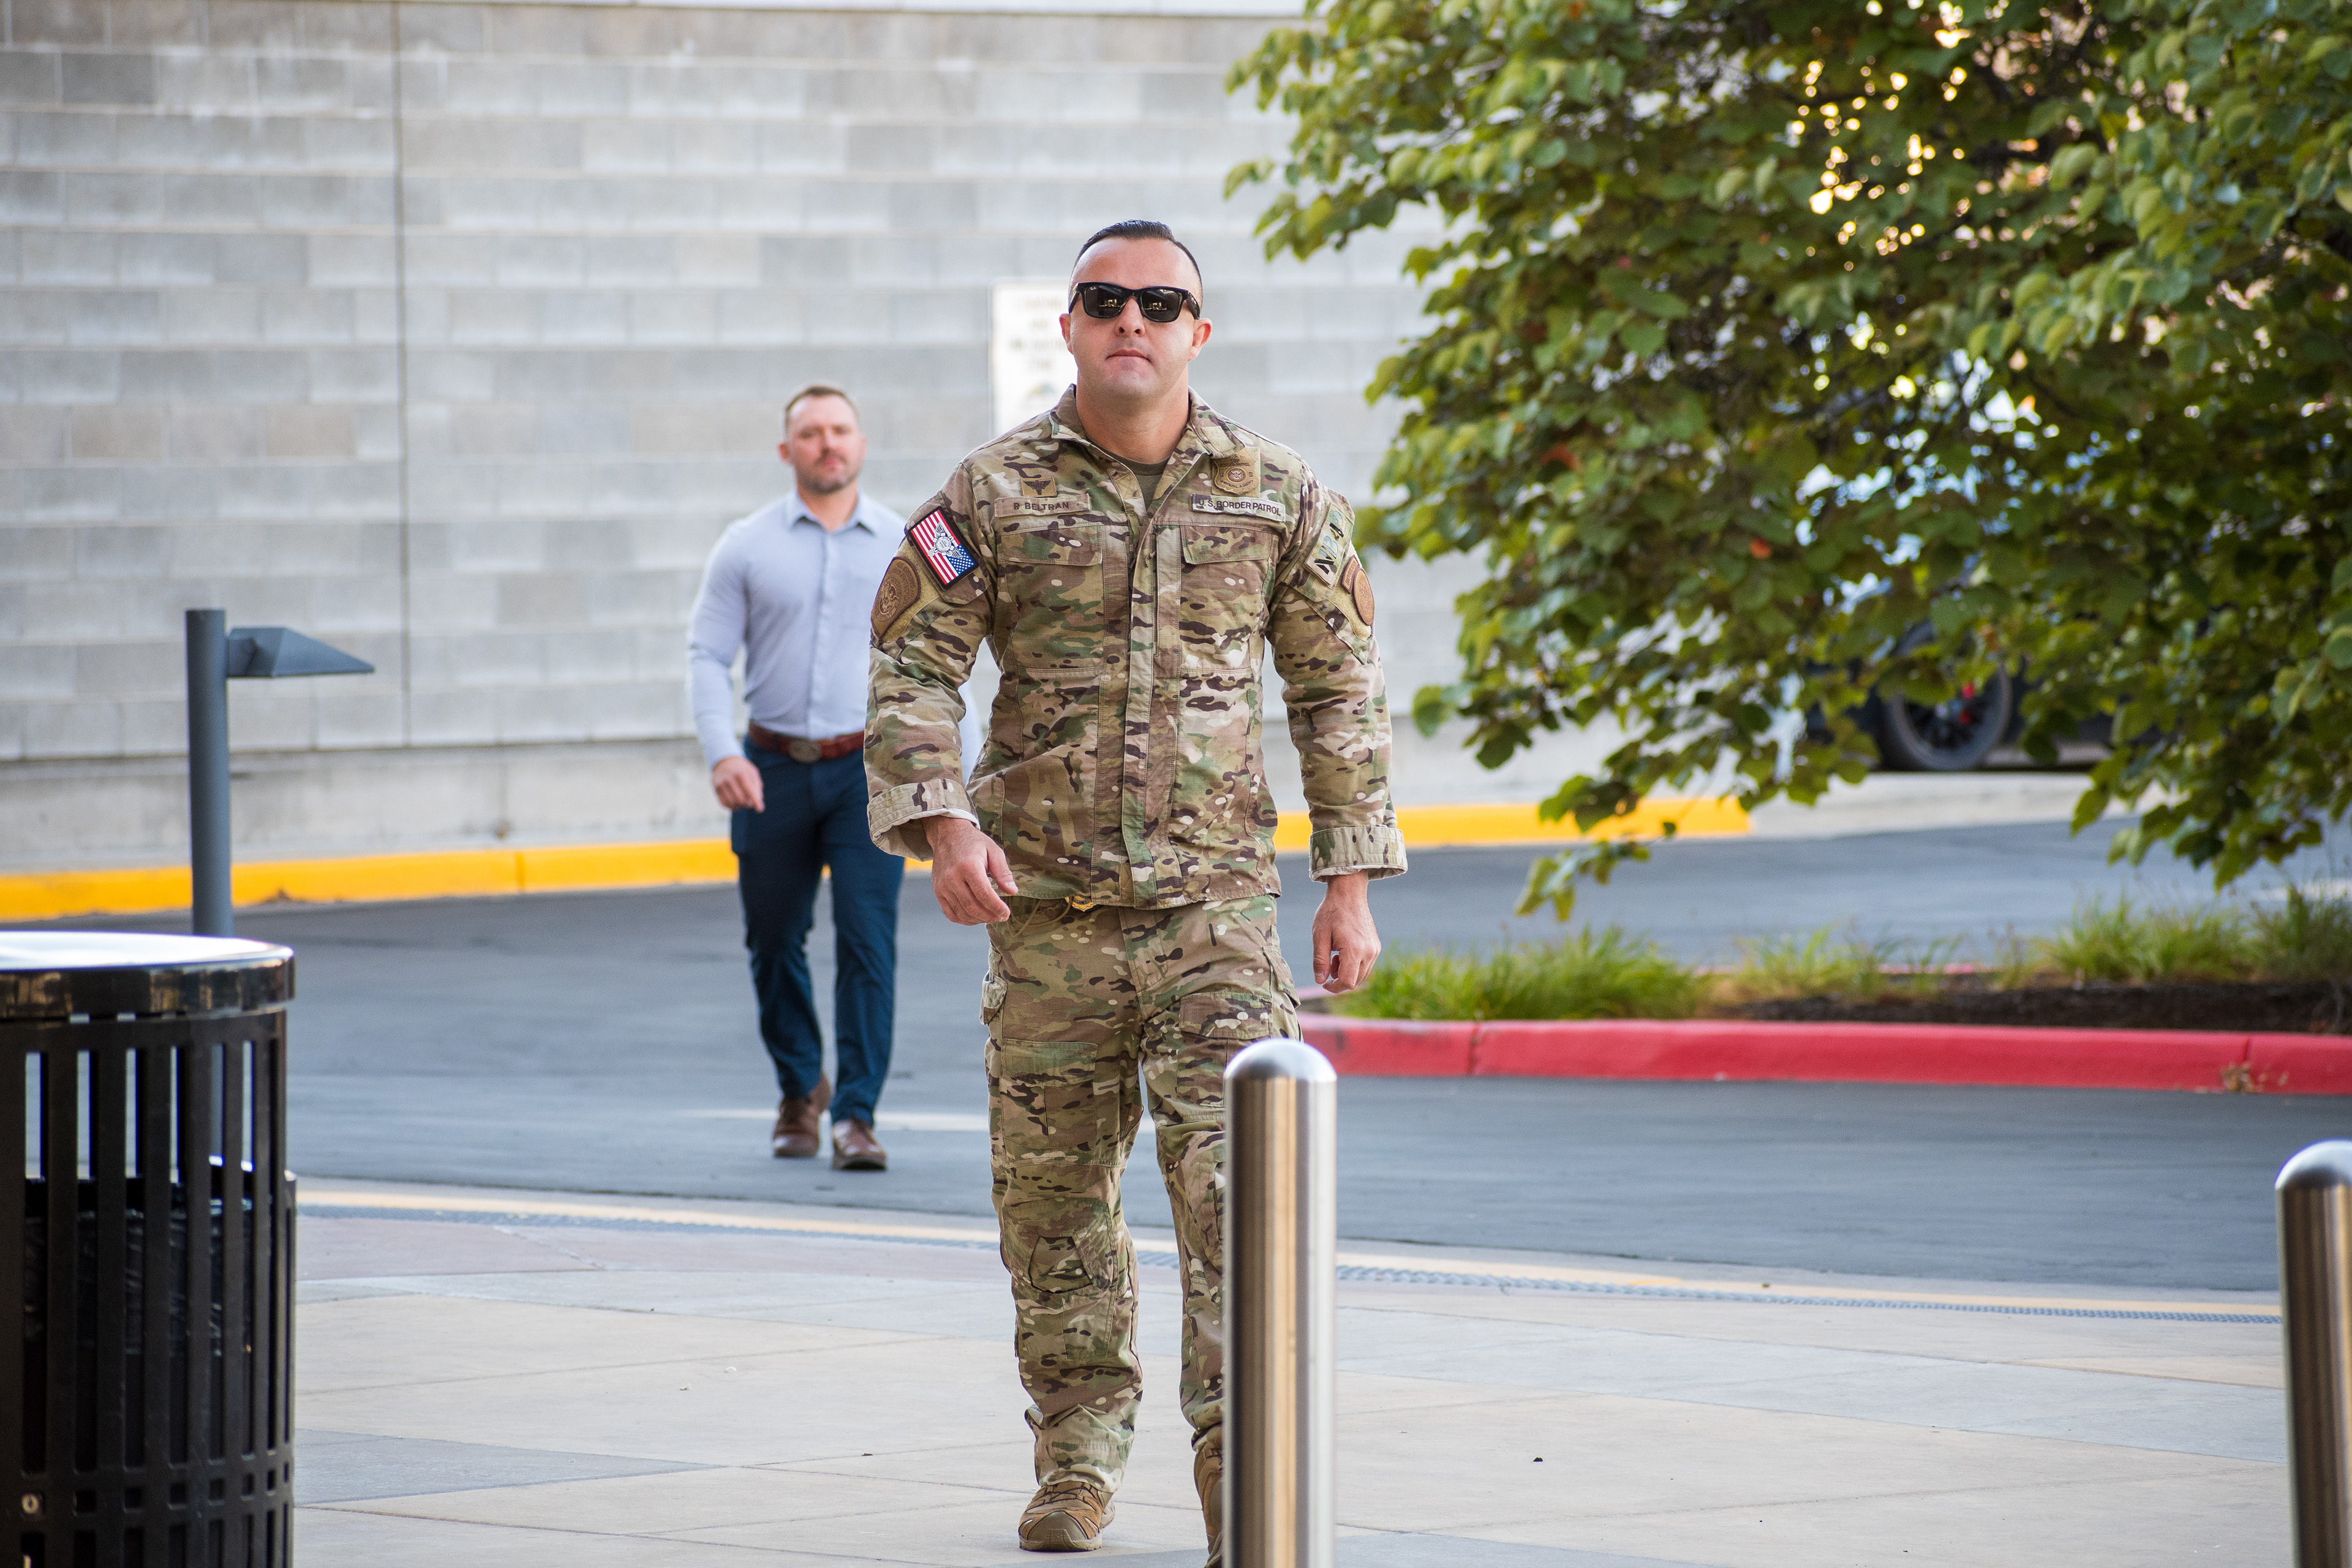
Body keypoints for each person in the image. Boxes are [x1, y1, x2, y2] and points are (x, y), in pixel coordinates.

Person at [864, 220, 1404, 1562]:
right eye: (1104, 298)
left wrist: (1349, 880)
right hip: (1044, 920)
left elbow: (1337, 687)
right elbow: (912, 667)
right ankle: (1077, 1454)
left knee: (1238, 1194)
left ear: (1197, 333)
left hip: (1218, 912)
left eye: (1162, 302)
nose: (1133, 320)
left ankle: (1242, 1463)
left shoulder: (1278, 492)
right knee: (1054, 1211)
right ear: (1069, 325)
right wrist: (939, 820)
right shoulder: (988, 495)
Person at [690, 385, 906, 1173]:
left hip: (867, 773)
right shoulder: (744, 546)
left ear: (861, 442)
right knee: (774, 940)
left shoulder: (904, 543)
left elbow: (947, 661)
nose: (828, 445)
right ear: (788, 451)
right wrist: (724, 751)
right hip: (770, 767)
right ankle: (796, 1090)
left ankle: (856, 1115)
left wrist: (961, 779)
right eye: (810, 434)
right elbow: (707, 656)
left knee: (866, 939)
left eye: (840, 430)